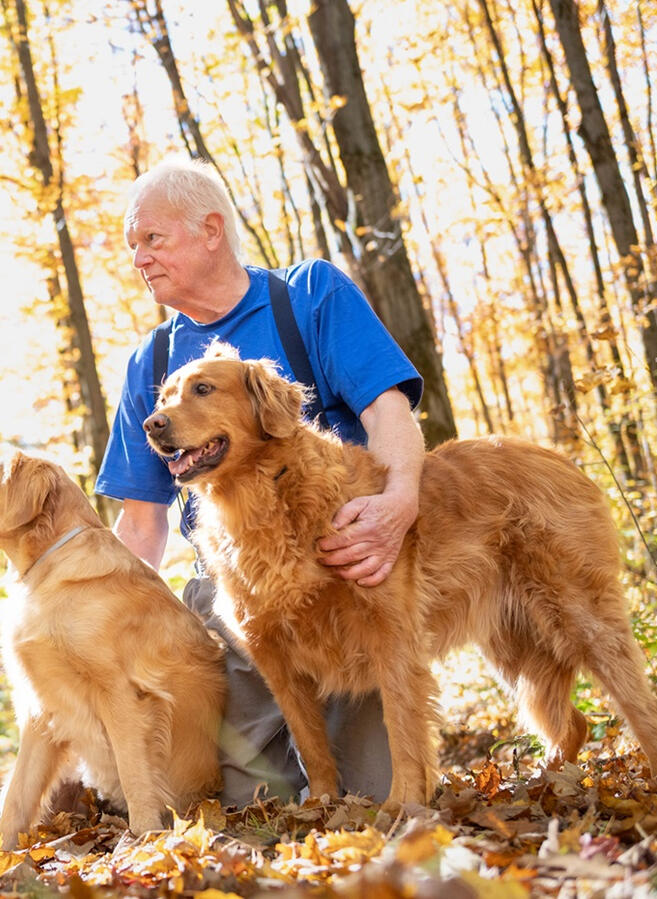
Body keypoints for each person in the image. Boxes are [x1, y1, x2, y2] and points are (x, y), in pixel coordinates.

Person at [95, 157, 427, 808]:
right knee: (252, 804)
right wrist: (100, 630)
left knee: (371, 798)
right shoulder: (152, 363)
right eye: (132, 245)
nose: (139, 257)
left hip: (343, 573)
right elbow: (140, 523)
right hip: (235, 595)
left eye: (151, 238)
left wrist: (395, 505)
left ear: (210, 229)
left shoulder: (308, 295)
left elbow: (388, 412)